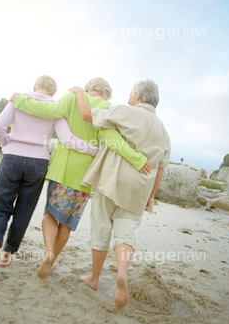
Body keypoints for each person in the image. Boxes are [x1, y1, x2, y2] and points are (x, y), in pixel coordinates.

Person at [10, 78, 151, 280]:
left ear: (90, 87)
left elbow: (47, 111)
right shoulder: (105, 107)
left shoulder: (71, 96)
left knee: (50, 215)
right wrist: (137, 160)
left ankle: (48, 252)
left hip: (62, 168)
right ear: (103, 92)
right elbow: (113, 140)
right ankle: (51, 261)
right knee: (66, 223)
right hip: (85, 175)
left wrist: (20, 101)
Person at [0, 75, 100, 279]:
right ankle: (6, 254)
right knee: (23, 212)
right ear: (53, 92)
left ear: (35, 87)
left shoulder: (18, 99)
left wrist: (5, 145)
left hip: (11, 158)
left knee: (1, 208)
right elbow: (67, 139)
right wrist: (95, 151)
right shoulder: (56, 107)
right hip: (38, 163)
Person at [69, 79, 171, 309]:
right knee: (125, 232)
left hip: (112, 180)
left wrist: (77, 92)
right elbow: (161, 167)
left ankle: (94, 279)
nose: (128, 98)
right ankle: (121, 274)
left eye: (131, 93)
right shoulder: (163, 130)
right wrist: (151, 195)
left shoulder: (126, 112)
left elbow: (87, 115)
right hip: (140, 187)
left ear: (138, 96)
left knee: (101, 226)